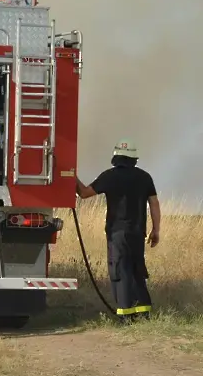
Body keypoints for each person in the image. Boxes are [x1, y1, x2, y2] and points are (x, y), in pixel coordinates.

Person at [75, 138, 161, 322]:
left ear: (116, 158)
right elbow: (154, 203)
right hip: (138, 233)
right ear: (134, 159)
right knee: (137, 270)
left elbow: (84, 193)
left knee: (120, 270)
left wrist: (70, 175)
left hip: (117, 233)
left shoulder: (109, 176)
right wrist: (156, 230)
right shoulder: (145, 177)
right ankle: (144, 314)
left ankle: (125, 316)